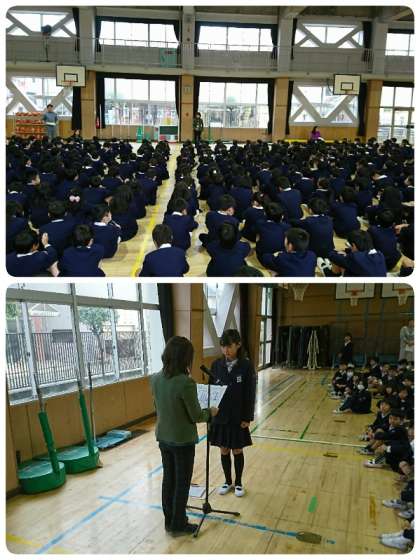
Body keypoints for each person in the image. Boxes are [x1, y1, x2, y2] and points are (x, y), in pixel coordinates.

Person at [150, 336, 219, 535]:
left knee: (169, 480)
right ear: (185, 358)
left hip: (163, 437)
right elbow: (197, 416)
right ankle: (179, 524)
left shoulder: (155, 379)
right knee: (181, 483)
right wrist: (210, 412)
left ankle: (169, 521)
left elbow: (158, 407)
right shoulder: (186, 383)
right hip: (182, 441)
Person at [208, 329, 256, 498]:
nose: (226, 350)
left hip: (238, 416)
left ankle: (239, 482)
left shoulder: (246, 366)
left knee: (237, 449)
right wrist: (210, 414)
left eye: (229, 346)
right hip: (220, 416)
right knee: (224, 449)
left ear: (238, 345)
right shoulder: (216, 365)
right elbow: (211, 390)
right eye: (223, 346)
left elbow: (250, 393)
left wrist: (247, 417)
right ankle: (227, 481)